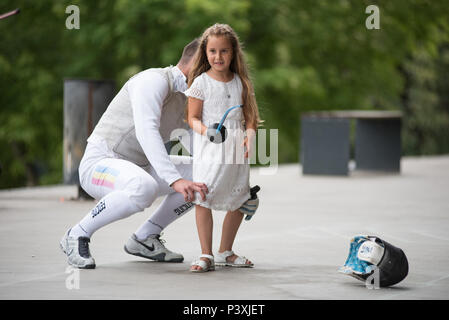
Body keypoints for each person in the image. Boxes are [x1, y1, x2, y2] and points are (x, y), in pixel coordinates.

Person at [60, 39, 210, 269]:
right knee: (144, 186)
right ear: (197, 65)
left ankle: (145, 238)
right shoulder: (152, 80)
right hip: (100, 164)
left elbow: (198, 143)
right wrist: (175, 180)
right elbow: (146, 131)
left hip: (140, 167)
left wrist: (234, 181)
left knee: (205, 173)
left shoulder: (188, 99)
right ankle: (76, 234)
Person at [185, 23, 262, 273]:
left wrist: (250, 134)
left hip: (236, 154)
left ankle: (225, 251)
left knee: (240, 198)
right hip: (210, 150)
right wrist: (207, 131)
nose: (218, 57)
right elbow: (192, 118)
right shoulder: (200, 83)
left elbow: (249, 115)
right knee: (203, 196)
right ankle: (205, 254)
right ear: (205, 53)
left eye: (224, 51)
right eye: (213, 51)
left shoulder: (241, 82)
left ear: (234, 52)